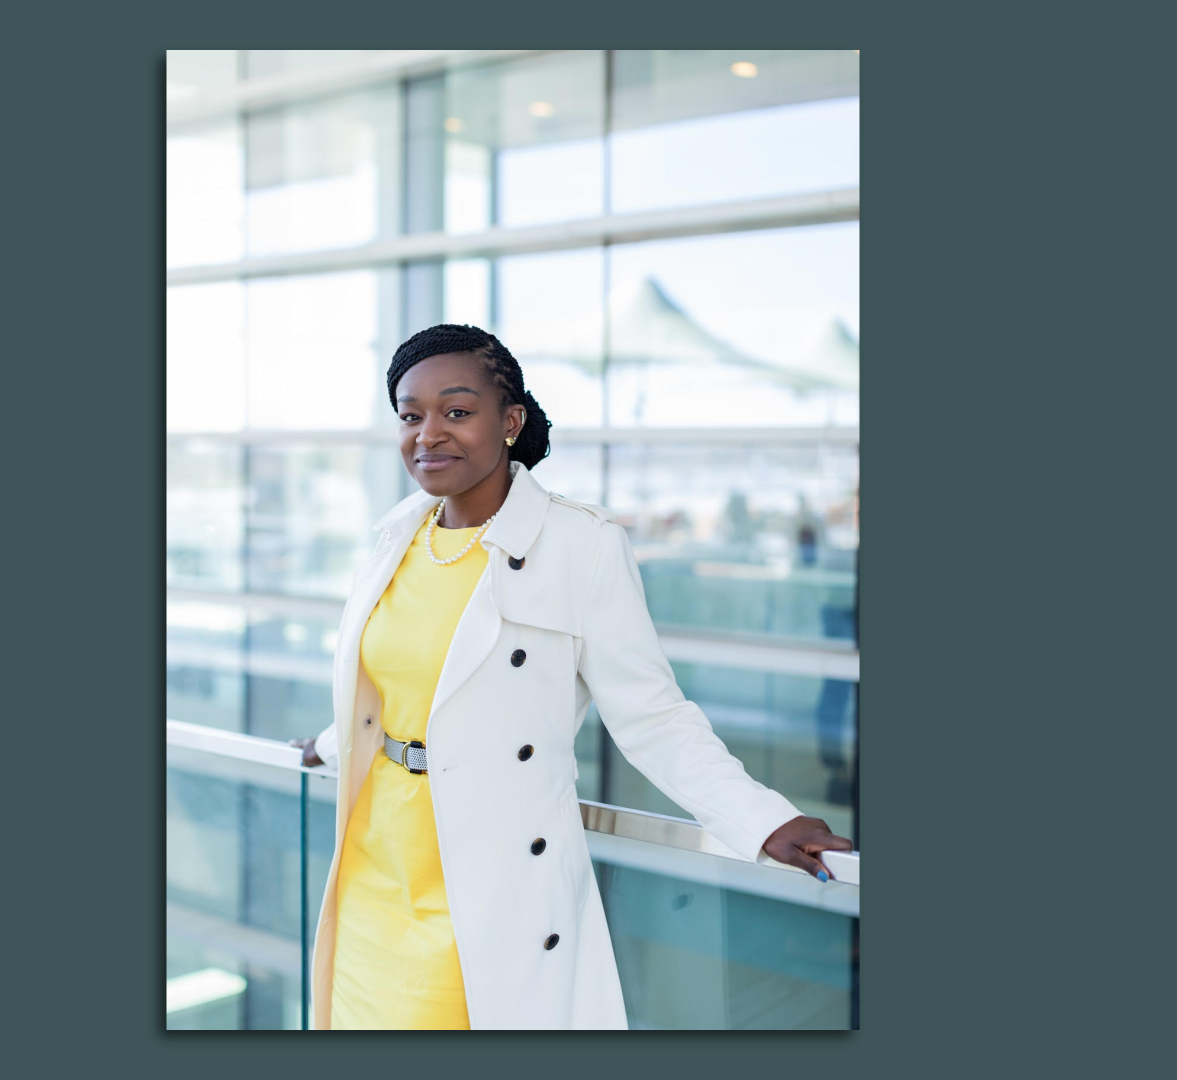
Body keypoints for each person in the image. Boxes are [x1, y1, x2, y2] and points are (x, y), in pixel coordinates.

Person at [289, 324, 852, 1030]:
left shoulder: (580, 546)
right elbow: (393, 693)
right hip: (374, 864)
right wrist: (328, 742)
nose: (428, 433)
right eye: (410, 414)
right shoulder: (397, 537)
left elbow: (654, 717)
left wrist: (763, 818)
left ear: (510, 420)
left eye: (456, 412)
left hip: (485, 879)